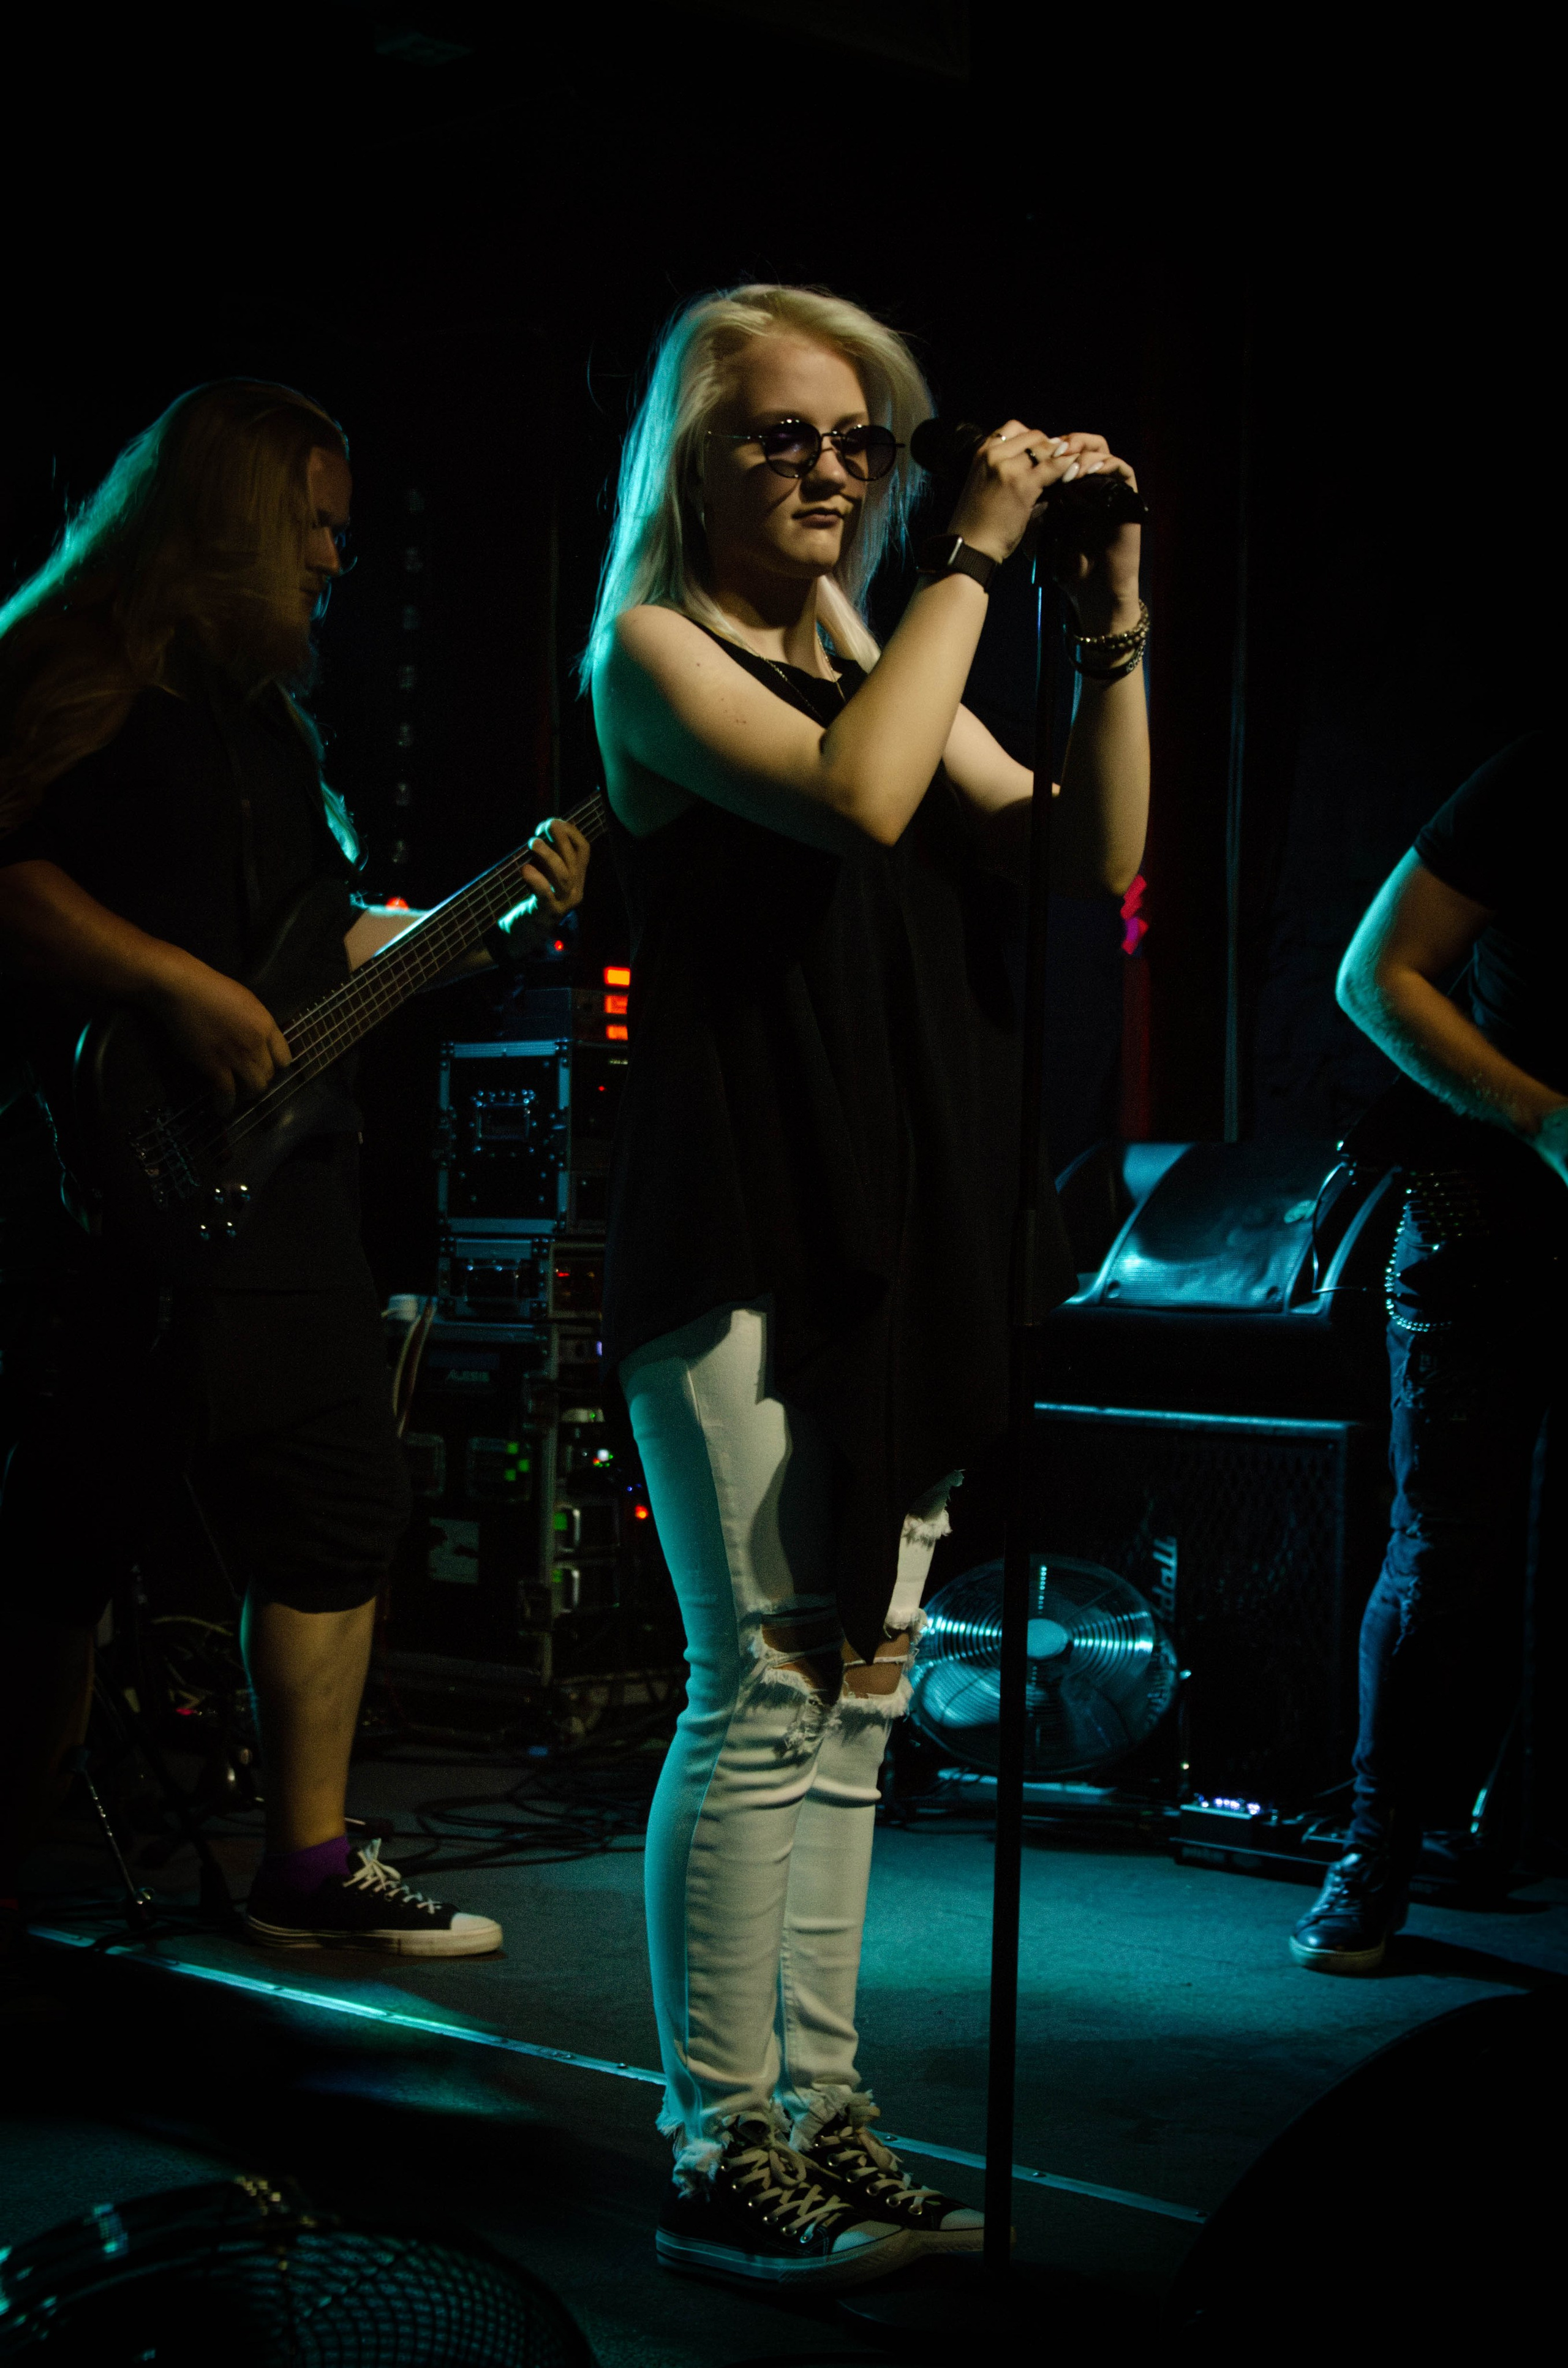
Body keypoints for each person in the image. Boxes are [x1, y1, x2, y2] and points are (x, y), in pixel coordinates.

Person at [588, 284, 1148, 2287]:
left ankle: (824, 2109)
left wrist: (1113, 630)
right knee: (759, 1682)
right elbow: (861, 796)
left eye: (864, 441)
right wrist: (973, 563)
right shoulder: (657, 653)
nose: (834, 471)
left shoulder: (876, 653)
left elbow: (1093, 854)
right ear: (695, 463)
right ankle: (716, 2137)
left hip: (901, 1221)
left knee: (864, 1691)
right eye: (787, 436)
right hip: (746, 1217)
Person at [0, 380, 589, 1967]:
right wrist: (168, 983)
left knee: (341, 1501)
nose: (338, 557)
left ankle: (311, 1861)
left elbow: (324, 951)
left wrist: (482, 930)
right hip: (105, 1185)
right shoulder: (63, 670)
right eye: (317, 524)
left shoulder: (271, 724)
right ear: (235, 514)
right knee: (62, 1543)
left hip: (284, 1190)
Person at [1291, 732, 1564, 1974]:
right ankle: (1373, 1857)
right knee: (1443, 1547)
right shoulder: (1538, 781)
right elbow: (1376, 975)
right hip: (1488, 1204)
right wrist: (1544, 1119)